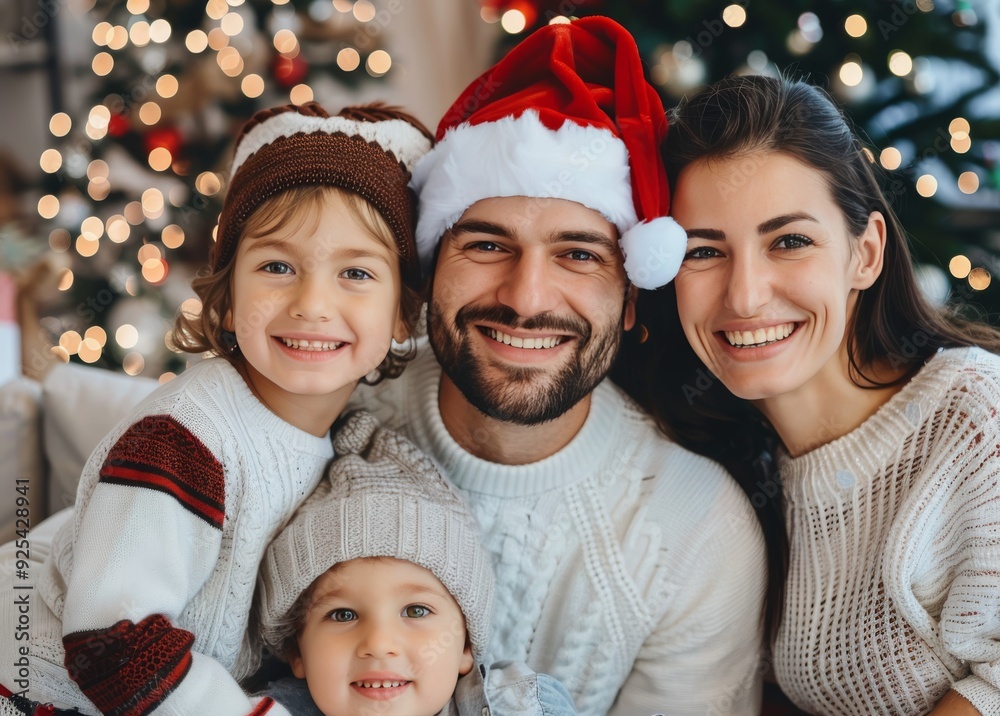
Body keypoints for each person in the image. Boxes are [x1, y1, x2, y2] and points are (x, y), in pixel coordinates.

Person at [351, 16, 767, 716]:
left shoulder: (696, 533)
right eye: (486, 245)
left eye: (578, 254)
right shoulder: (330, 414)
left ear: (633, 299)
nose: (525, 299)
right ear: (431, 265)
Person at [0, 102, 432, 715]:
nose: (312, 304)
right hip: (47, 694)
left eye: (356, 273)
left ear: (401, 316)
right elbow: (109, 643)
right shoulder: (185, 440)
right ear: (228, 300)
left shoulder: (342, 431)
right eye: (277, 266)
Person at [623, 73, 1000, 716]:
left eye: (789, 241)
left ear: (866, 253)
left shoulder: (975, 423)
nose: (744, 296)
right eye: (703, 251)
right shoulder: (725, 461)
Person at [252, 409, 577, 716]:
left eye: (416, 610)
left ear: (465, 645)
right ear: (297, 652)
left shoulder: (519, 706)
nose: (379, 644)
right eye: (343, 614)